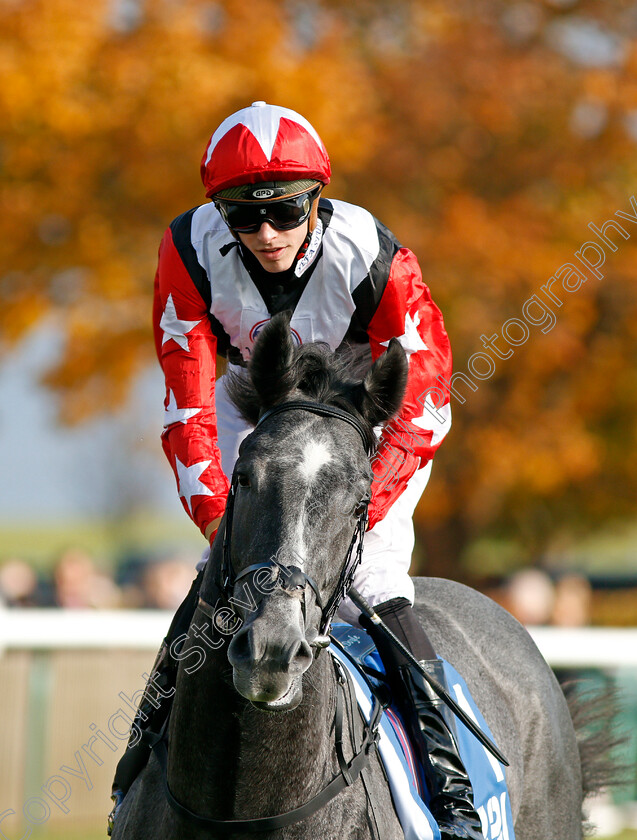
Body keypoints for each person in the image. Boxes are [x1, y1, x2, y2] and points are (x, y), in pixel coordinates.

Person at [109, 102, 481, 840]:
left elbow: (428, 391)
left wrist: (356, 508)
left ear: (318, 199)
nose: (266, 234)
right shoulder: (185, 247)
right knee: (218, 580)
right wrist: (221, 519)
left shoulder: (367, 249)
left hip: (364, 420)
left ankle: (454, 795)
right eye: (244, 219)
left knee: (373, 584)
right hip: (257, 407)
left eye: (284, 212)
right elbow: (186, 405)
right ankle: (131, 779)